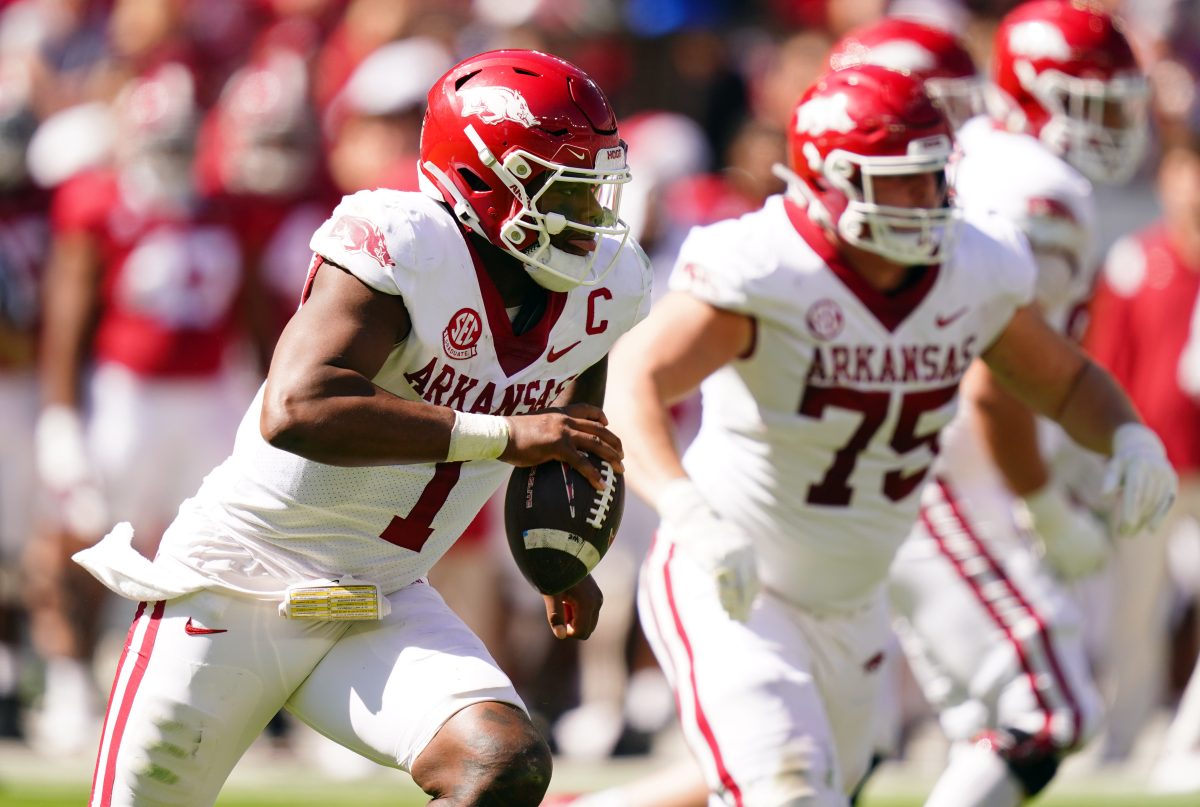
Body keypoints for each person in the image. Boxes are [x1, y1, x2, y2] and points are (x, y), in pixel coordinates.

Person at [72, 49, 651, 807]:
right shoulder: (404, 242)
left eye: (592, 191)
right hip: (234, 580)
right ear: (481, 178)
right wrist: (504, 436)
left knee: (501, 763)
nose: (587, 219)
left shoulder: (606, 285)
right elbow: (300, 408)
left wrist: (565, 561)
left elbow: (568, 437)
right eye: (562, 193)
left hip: (379, 596)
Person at [603, 62, 1175, 807]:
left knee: (814, 787)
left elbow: (1062, 379)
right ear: (826, 179)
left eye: (934, 177)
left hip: (855, 600)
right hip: (734, 581)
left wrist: (1130, 437)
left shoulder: (973, 263)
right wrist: (686, 509)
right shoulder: (767, 265)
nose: (924, 200)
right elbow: (634, 377)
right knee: (788, 792)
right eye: (898, 181)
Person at [864, 6, 1155, 805]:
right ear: (1031, 91)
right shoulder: (1040, 191)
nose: (1113, 125)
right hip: (938, 465)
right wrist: (1040, 503)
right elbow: (1001, 377)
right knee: (1050, 710)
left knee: (831, 758)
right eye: (1092, 101)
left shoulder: (981, 157)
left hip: (880, 453)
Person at [1087, 112, 1200, 793]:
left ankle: (1186, 738)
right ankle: (1123, 734)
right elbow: (1106, 366)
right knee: (1135, 602)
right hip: (1151, 466)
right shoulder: (1136, 260)